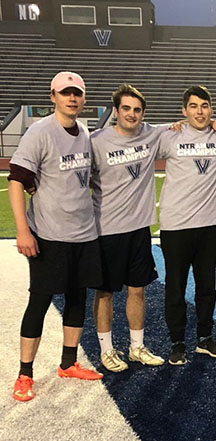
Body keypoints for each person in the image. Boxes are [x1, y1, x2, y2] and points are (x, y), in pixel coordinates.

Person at [9, 71, 103, 402]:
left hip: (83, 233)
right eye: (65, 93)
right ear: (53, 97)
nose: (72, 97)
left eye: (77, 92)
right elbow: (17, 180)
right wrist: (23, 230)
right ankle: (24, 373)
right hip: (49, 235)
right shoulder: (40, 132)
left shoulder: (85, 132)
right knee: (41, 300)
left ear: (84, 98)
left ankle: (68, 363)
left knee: (77, 299)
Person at [155, 85, 216, 365]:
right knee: (175, 286)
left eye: (204, 106)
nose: (199, 112)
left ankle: (204, 338)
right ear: (184, 110)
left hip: (209, 225)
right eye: (193, 106)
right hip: (176, 225)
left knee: (207, 285)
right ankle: (177, 342)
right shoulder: (171, 135)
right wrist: (171, 124)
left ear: (211, 109)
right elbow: (137, 133)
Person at [89, 84, 167, 372]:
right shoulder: (96, 141)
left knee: (138, 290)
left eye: (136, 110)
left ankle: (136, 347)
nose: (131, 114)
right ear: (116, 111)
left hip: (139, 229)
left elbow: (188, 124)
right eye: (126, 108)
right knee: (106, 292)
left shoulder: (151, 133)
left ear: (143, 113)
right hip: (107, 230)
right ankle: (107, 350)